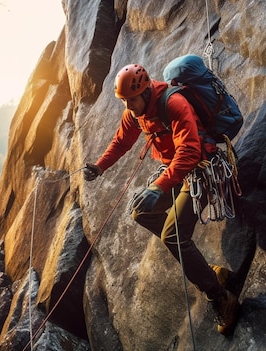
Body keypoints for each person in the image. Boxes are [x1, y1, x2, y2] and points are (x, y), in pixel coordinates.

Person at [83, 63, 239, 336]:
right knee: (141, 213)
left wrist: (159, 186)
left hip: (201, 170)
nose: (129, 106)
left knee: (174, 236)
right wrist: (99, 166)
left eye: (132, 100)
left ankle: (219, 296)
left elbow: (190, 151)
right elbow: (122, 141)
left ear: (145, 91)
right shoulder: (135, 112)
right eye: (124, 101)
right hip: (173, 173)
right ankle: (206, 271)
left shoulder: (174, 103)